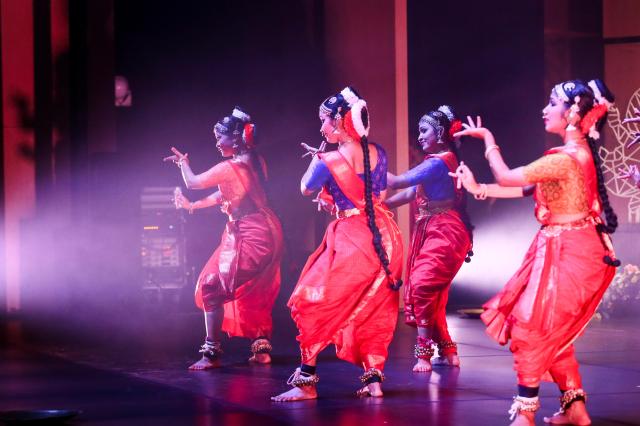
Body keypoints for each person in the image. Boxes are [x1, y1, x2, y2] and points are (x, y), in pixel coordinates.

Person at [452, 79, 619, 426]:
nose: (544, 109)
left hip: (569, 252)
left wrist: (489, 141)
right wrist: (478, 188)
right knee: (550, 330)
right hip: (560, 247)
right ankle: (575, 407)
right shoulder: (569, 156)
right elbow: (526, 189)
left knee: (531, 327)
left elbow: (508, 176)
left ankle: (525, 412)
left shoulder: (567, 158)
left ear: (572, 113)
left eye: (552, 103)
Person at [271, 87, 403, 401]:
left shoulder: (328, 159)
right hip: (386, 235)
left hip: (354, 238)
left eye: (325, 121)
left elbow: (304, 188)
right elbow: (376, 196)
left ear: (342, 121)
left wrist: (317, 159)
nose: (321, 128)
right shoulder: (378, 153)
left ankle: (306, 381)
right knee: (373, 307)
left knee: (311, 299)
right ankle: (374, 381)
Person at [164, 107, 283, 370]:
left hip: (251, 234)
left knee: (211, 286)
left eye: (221, 137)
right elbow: (226, 196)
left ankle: (211, 353)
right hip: (265, 229)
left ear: (237, 138)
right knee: (253, 288)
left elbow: (193, 183)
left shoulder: (230, 166)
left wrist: (183, 163)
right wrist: (192, 207)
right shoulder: (255, 161)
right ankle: (261, 348)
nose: (217, 143)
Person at [385, 106, 473, 372]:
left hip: (445, 231)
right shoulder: (438, 161)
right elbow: (410, 192)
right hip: (433, 229)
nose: (420, 136)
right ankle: (448, 351)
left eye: (424, 131)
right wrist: (382, 206)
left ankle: (423, 353)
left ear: (441, 134)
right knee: (434, 295)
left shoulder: (437, 162)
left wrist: (366, 163)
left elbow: (398, 181)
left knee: (423, 286)